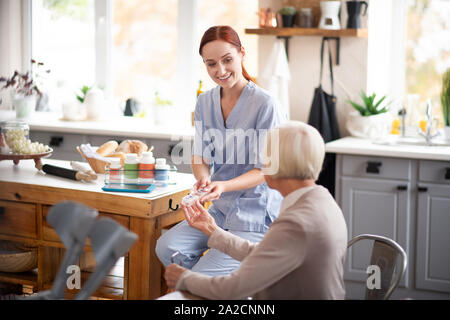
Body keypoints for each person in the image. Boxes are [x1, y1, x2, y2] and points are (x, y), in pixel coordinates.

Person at [164, 121, 348, 300]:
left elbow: (231, 290)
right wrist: (212, 230)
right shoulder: (321, 199)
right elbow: (265, 254)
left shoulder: (297, 223)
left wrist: (184, 278)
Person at [155, 25, 286, 276]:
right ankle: (225, 289)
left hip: (255, 213)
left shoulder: (265, 104)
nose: (221, 70)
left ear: (241, 54)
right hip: (219, 209)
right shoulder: (205, 101)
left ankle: (218, 288)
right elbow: (200, 156)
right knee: (168, 248)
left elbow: (267, 170)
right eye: (211, 64)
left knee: (203, 276)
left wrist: (223, 186)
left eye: (227, 60)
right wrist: (203, 178)